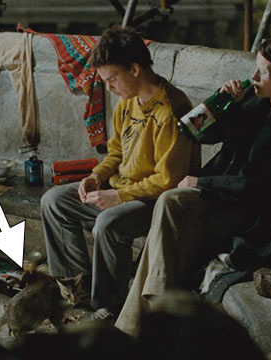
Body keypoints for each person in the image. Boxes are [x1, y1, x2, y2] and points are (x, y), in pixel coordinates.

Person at [115, 37, 271, 336]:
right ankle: (145, 320)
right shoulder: (257, 101)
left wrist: (203, 181)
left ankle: (140, 323)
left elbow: (262, 185)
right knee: (169, 213)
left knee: (171, 206)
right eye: (255, 69)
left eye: (265, 72)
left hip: (264, 214)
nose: (255, 77)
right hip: (229, 196)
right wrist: (221, 100)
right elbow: (193, 130)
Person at [41, 26, 200, 321]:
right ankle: (74, 288)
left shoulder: (171, 110)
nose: (109, 87)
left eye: (112, 79)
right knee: (54, 202)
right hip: (122, 188)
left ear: (135, 69)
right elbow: (115, 152)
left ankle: (109, 304)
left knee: (108, 224)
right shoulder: (127, 102)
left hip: (157, 201)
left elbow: (169, 180)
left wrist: (118, 196)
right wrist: (97, 177)